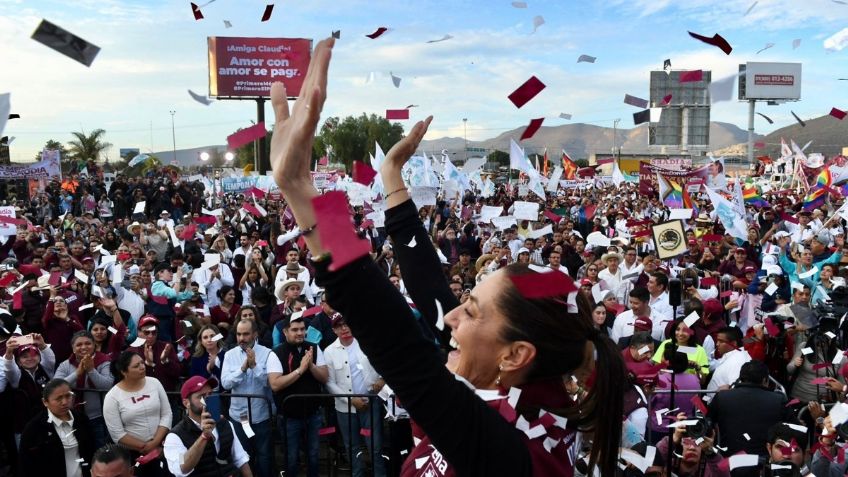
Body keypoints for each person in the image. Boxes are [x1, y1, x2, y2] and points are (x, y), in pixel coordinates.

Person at [268, 37, 626, 476]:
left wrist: (303, 194)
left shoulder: (516, 455)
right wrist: (393, 183)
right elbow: (430, 288)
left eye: (472, 312)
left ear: (514, 356)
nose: (452, 318)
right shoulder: (513, 391)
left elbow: (400, 347)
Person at [323, 313, 386, 477]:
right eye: (339, 326)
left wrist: (381, 379)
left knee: (375, 445)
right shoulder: (329, 351)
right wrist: (350, 400)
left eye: (346, 324)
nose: (344, 328)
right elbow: (329, 382)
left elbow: (382, 363)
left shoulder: (366, 342)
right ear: (334, 330)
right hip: (345, 408)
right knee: (352, 446)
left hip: (370, 402)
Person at [268, 315, 329, 477]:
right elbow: (275, 384)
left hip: (313, 413)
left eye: (302, 329)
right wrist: (301, 370)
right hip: (289, 417)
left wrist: (311, 366)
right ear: (285, 332)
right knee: (291, 457)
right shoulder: (276, 353)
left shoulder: (314, 348)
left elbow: (324, 377)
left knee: (314, 455)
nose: (300, 333)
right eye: (295, 330)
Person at [220, 319, 278, 477]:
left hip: (261, 415)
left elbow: (270, 382)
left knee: (265, 455)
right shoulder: (230, 355)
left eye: (245, 334)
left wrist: (254, 367)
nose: (241, 338)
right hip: (240, 417)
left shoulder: (267, 353)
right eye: (239, 334)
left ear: (255, 334)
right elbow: (225, 383)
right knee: (243, 456)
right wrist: (243, 369)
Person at [163, 375, 252, 477]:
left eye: (209, 394)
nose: (206, 400)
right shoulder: (175, 436)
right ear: (186, 403)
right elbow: (182, 468)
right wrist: (204, 436)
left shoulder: (225, 424)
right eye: (201, 396)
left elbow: (241, 459)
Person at [103, 351, 172, 477]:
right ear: (124, 372)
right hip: (132, 454)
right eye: (136, 366)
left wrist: (155, 442)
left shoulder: (155, 383)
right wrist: (144, 447)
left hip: (160, 448)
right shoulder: (112, 397)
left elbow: (167, 414)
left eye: (142, 362)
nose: (142, 367)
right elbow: (117, 434)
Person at [708, 360, 792, 457]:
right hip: (764, 460)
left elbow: (707, 423)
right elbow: (794, 429)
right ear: (765, 380)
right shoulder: (778, 399)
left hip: (729, 459)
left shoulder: (722, 397)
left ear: (740, 379)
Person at [20, 379, 96, 477]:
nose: (64, 402)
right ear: (45, 402)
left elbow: (91, 451)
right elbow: (27, 465)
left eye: (68, 396)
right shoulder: (34, 428)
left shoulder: (81, 419)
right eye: (58, 398)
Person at [54, 331, 114, 449]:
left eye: (88, 343)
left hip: (98, 417)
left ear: (94, 346)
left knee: (101, 449)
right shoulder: (65, 365)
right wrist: (77, 373)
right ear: (73, 348)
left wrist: (91, 370)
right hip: (71, 418)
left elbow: (107, 385)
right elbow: (55, 387)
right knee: (79, 450)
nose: (84, 347)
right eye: (79, 345)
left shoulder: (104, 361)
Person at [705, 327, 751, 394]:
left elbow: (737, 391)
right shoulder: (734, 356)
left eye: (721, 341)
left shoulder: (738, 361)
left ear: (733, 343)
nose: (717, 344)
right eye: (717, 341)